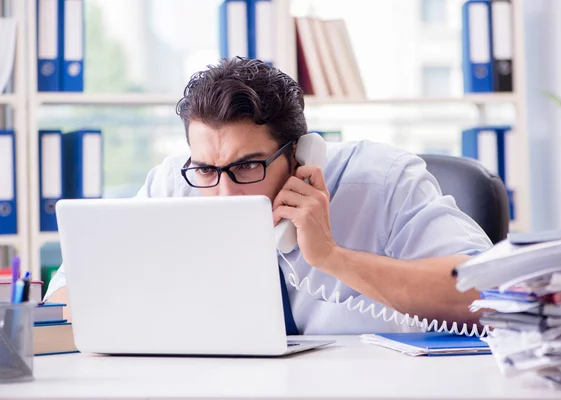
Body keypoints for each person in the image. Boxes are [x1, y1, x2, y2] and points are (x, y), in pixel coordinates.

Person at [44, 58, 493, 335]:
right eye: (206, 168)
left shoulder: (384, 180)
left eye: (246, 167)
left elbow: (490, 293)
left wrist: (333, 258)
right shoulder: (177, 183)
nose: (224, 195)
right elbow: (69, 285)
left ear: (300, 155)